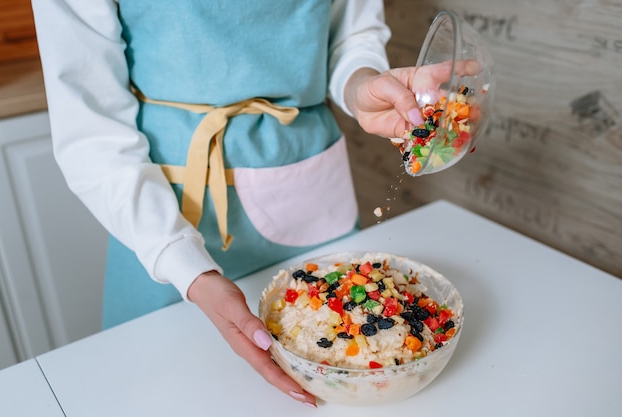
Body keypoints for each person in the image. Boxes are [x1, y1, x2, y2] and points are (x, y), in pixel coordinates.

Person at [31, 0, 463, 408]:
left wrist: (361, 83)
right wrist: (185, 266)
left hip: (309, 195)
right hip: (155, 208)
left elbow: (349, 35)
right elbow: (90, 126)